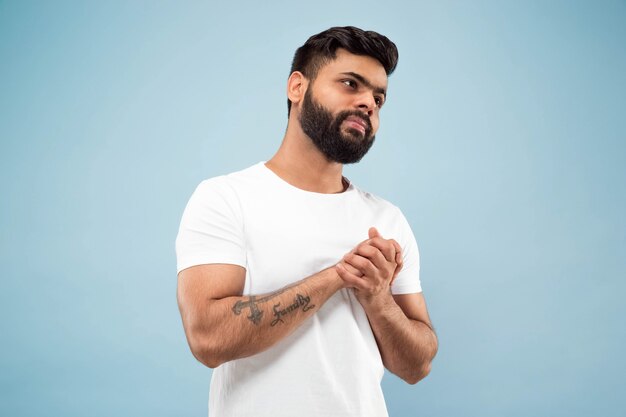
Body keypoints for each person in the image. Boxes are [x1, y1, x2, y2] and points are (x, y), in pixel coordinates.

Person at [176, 26, 438, 417]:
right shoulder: (226, 199)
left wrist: (378, 299)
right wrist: (336, 277)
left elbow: (417, 366)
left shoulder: (387, 220)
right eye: (351, 84)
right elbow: (208, 339)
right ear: (297, 87)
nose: (368, 102)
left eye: (379, 98)